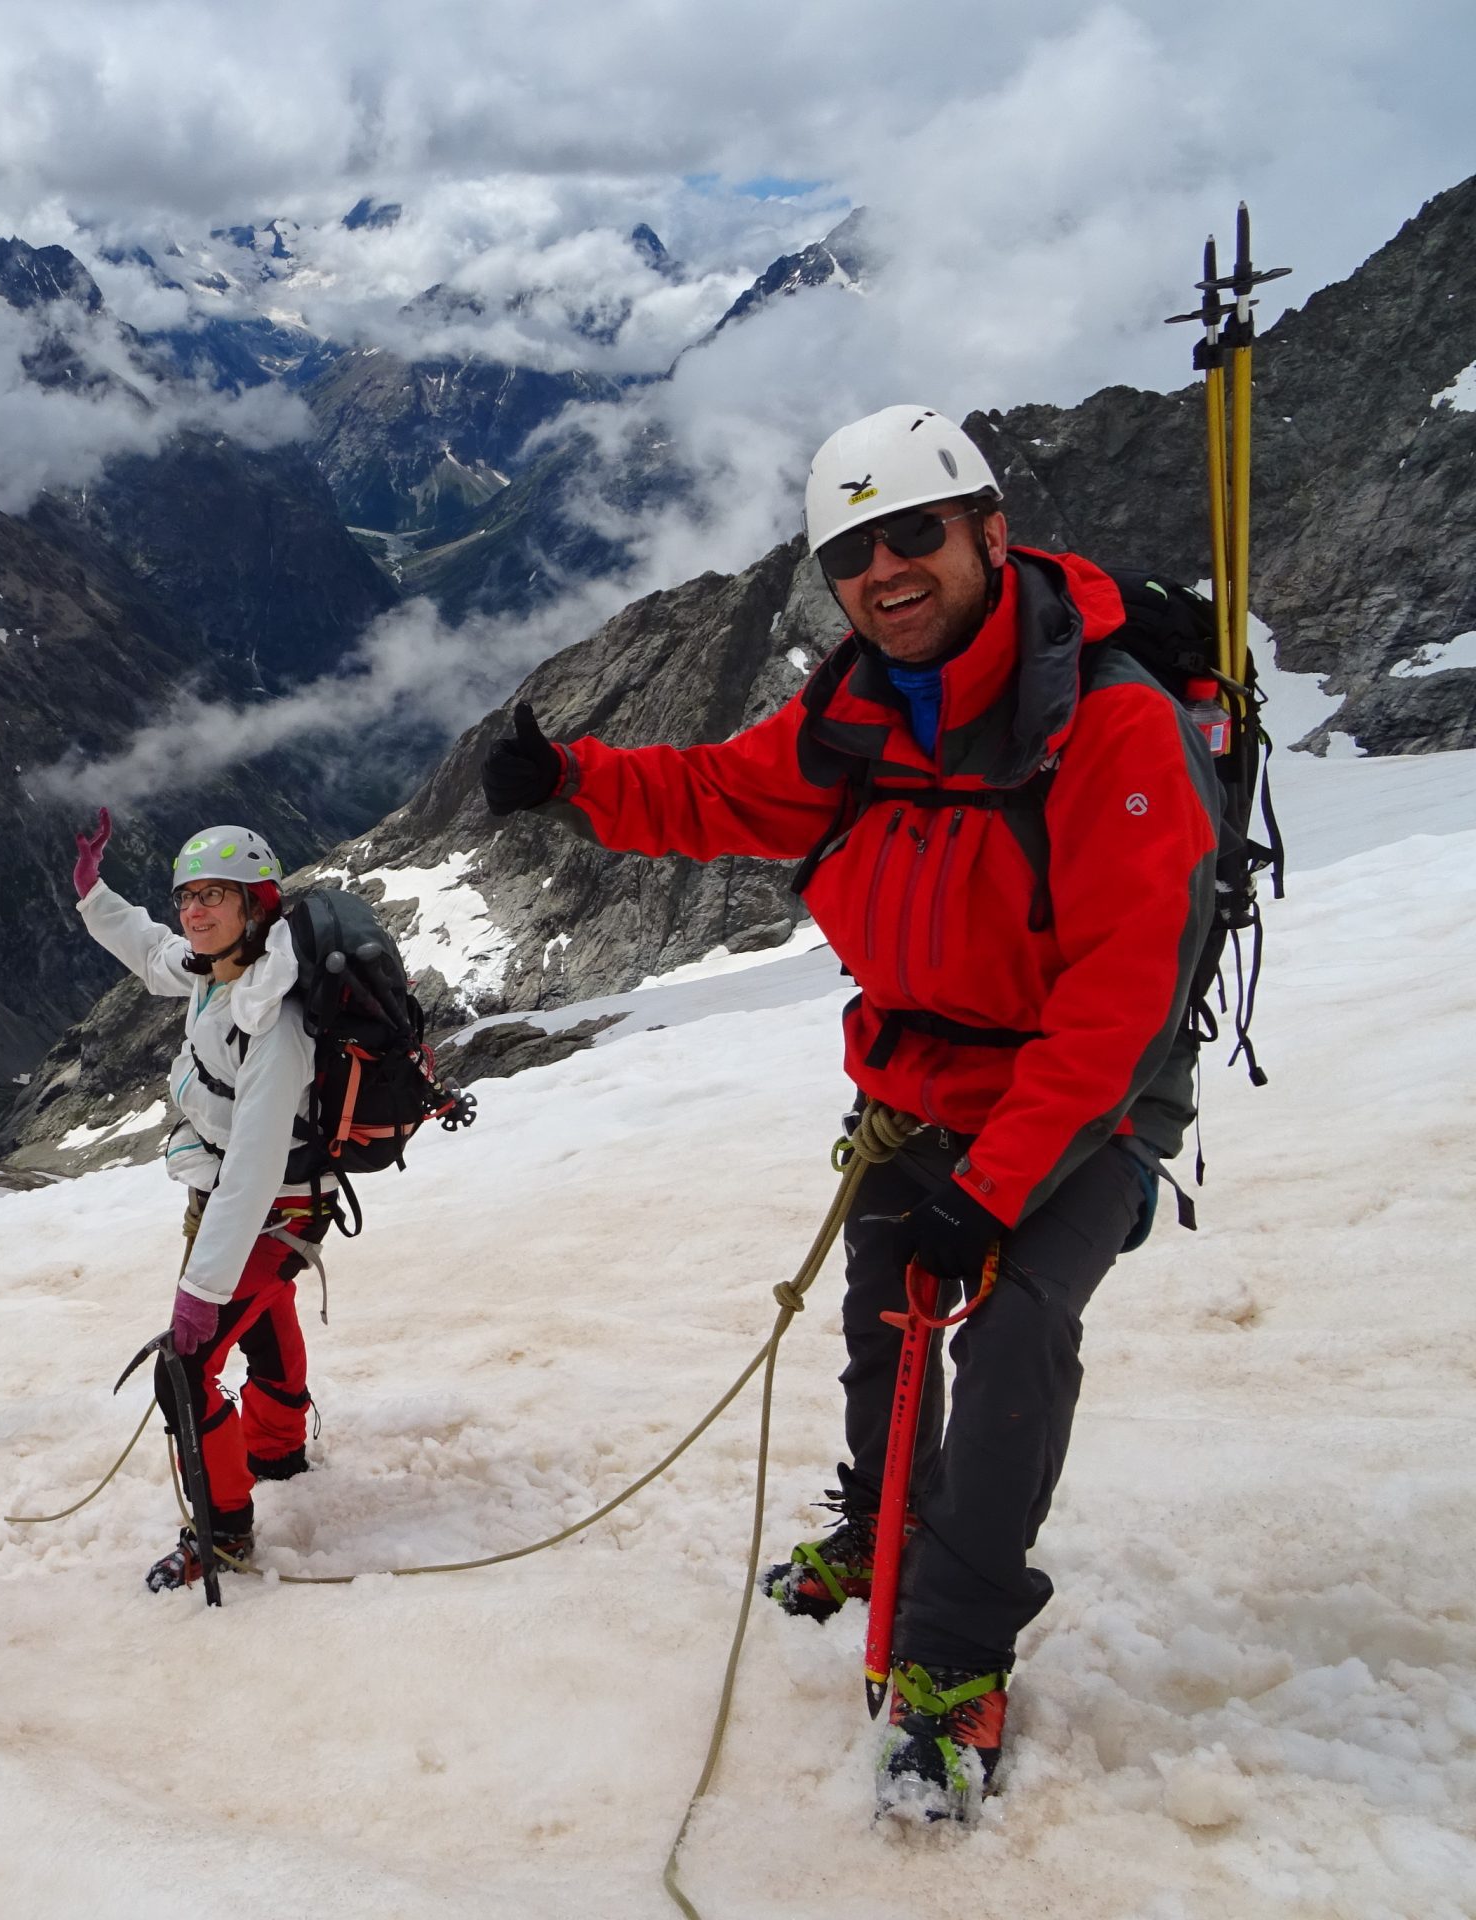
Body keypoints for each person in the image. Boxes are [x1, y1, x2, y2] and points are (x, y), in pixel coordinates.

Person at [481, 404, 1219, 1820]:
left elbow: (1119, 1006)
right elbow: (717, 794)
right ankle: (885, 1533)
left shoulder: (1107, 727)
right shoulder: (860, 711)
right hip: (916, 1081)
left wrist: (995, 1187)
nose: (886, 572)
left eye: (915, 536)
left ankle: (951, 1657)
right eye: (853, 553)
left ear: (990, 534)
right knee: (886, 1323)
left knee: (1007, 1335)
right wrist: (573, 781)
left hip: (1082, 1107)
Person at [70, 812, 326, 1592]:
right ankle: (277, 1449)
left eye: (216, 895)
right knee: (267, 1315)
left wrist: (201, 1292)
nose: (194, 911)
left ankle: (225, 1537)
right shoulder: (225, 968)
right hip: (246, 1200)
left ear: (259, 903)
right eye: (187, 896)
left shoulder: (272, 1017)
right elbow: (153, 954)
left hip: (263, 1209)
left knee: (185, 1365)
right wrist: (93, 894)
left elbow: (253, 1165)